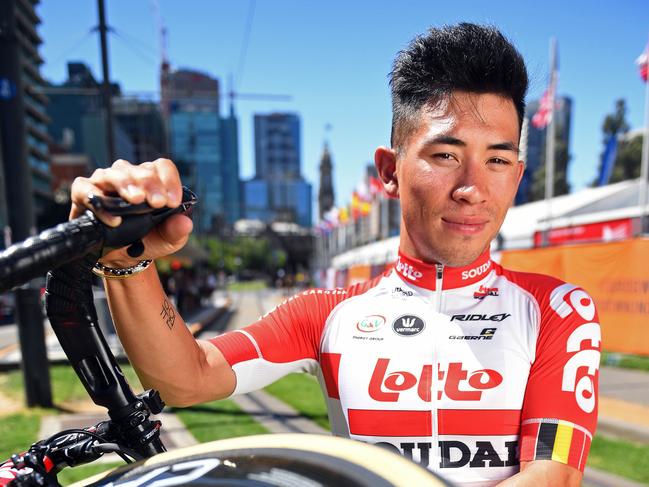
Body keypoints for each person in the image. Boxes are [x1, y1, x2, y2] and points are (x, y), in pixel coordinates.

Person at [69, 23, 600, 486]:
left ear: (518, 174)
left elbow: (552, 474)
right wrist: (125, 257)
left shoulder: (558, 310)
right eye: (445, 155)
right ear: (389, 171)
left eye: (499, 161)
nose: (473, 188)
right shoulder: (326, 313)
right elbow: (183, 378)